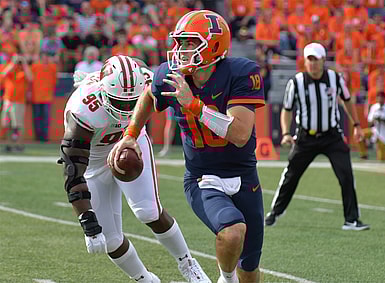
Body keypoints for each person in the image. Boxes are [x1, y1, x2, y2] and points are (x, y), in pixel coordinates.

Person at [108, 10, 266, 283]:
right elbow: (148, 96)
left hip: (244, 176)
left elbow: (240, 134)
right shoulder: (170, 74)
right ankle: (225, 280)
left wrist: (193, 105)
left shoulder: (241, 73)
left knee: (250, 267)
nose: (181, 50)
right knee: (232, 232)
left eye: (191, 43)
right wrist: (131, 133)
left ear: (214, 45)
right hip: (203, 178)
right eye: (180, 42)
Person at [59, 55, 210, 283]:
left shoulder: (149, 79)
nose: (127, 108)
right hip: (94, 160)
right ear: (102, 93)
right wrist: (86, 218)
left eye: (133, 103)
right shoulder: (83, 110)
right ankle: (144, 279)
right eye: (120, 102)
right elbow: (73, 171)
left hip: (132, 141)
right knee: (109, 240)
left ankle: (188, 264)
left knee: (148, 211)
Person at [264, 42, 370, 231]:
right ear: (305, 61)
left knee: (346, 174)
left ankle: (352, 220)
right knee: (291, 175)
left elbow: (347, 100)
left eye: (316, 60)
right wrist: (286, 132)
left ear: (323, 60)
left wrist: (356, 125)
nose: (312, 64)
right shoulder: (296, 82)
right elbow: (287, 110)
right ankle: (275, 212)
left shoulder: (335, 78)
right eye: (309, 60)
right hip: (306, 137)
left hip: (332, 136)